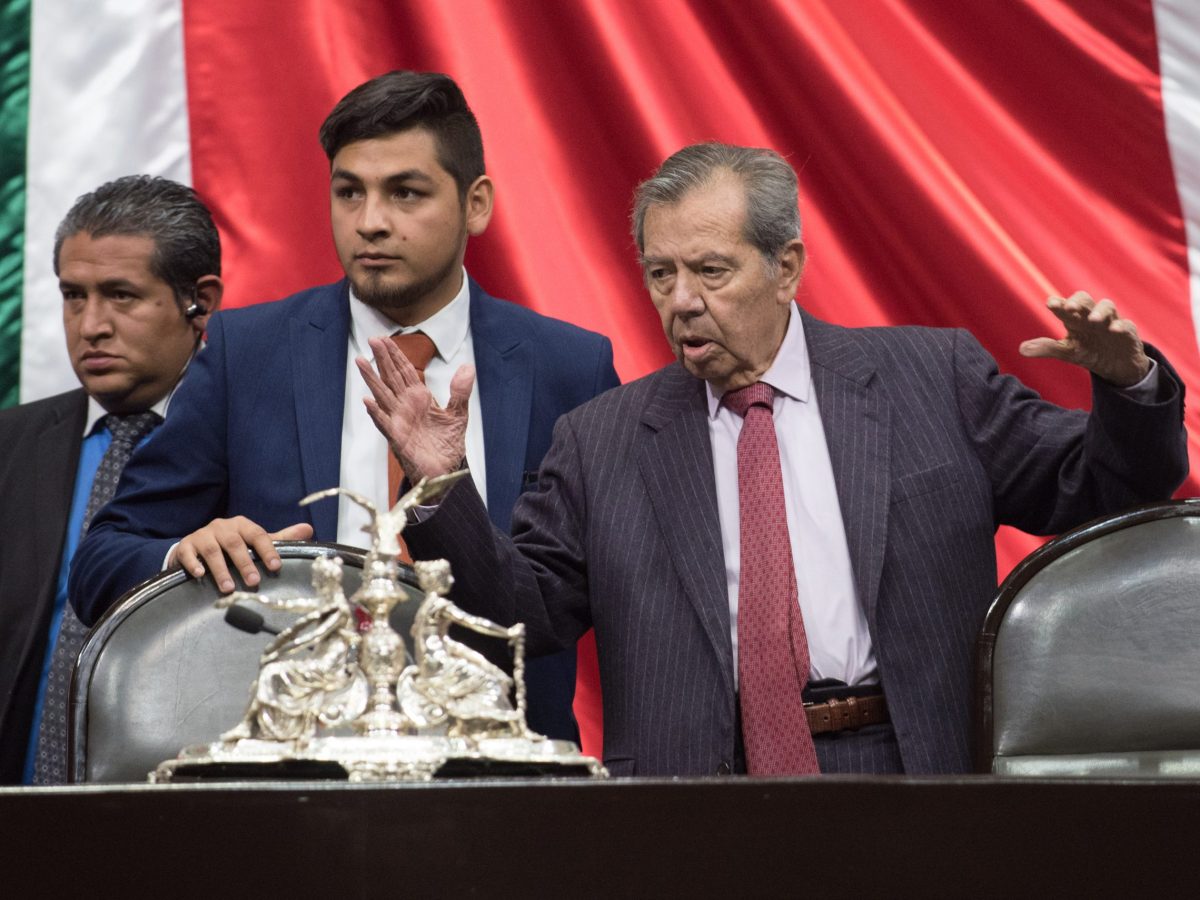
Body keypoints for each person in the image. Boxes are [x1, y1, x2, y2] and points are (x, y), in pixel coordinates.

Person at [364, 142, 1188, 776]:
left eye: (710, 271)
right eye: (661, 274)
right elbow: (520, 617)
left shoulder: (932, 379)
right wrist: (441, 484)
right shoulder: (601, 440)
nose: (682, 300)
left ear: (786, 266)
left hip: (913, 774)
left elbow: (1104, 492)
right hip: (697, 796)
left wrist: (1128, 383)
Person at [69, 71, 619, 742]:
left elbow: (574, 604)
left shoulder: (569, 367)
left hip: (497, 779)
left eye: (405, 193)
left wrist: (445, 494)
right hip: (284, 777)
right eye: (348, 192)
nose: (370, 222)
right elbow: (99, 564)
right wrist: (184, 551)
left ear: (476, 204)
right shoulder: (247, 354)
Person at [0, 175, 223, 784]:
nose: (90, 324)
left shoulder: (252, 449)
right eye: (74, 296)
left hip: (178, 827)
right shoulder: (11, 446)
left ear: (199, 301)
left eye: (121, 296)